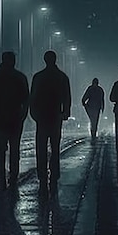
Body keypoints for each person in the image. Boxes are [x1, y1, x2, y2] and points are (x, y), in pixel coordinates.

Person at [0, 51, 30, 191]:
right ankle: (13, 176)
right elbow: (26, 98)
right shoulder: (19, 77)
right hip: (15, 118)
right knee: (14, 149)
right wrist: (23, 114)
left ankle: (1, 177)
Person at [30, 50, 71, 195]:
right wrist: (65, 112)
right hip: (55, 116)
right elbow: (67, 96)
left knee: (41, 147)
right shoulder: (62, 77)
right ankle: (54, 174)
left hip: (42, 117)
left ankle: (42, 176)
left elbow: (32, 97)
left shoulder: (38, 77)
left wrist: (33, 114)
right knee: (55, 148)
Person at [81, 77, 105, 142]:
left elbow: (84, 98)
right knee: (95, 121)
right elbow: (102, 100)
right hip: (97, 108)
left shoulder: (90, 89)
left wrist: (84, 104)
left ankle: (93, 133)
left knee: (92, 120)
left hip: (90, 107)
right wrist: (102, 108)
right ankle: (93, 133)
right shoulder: (100, 90)